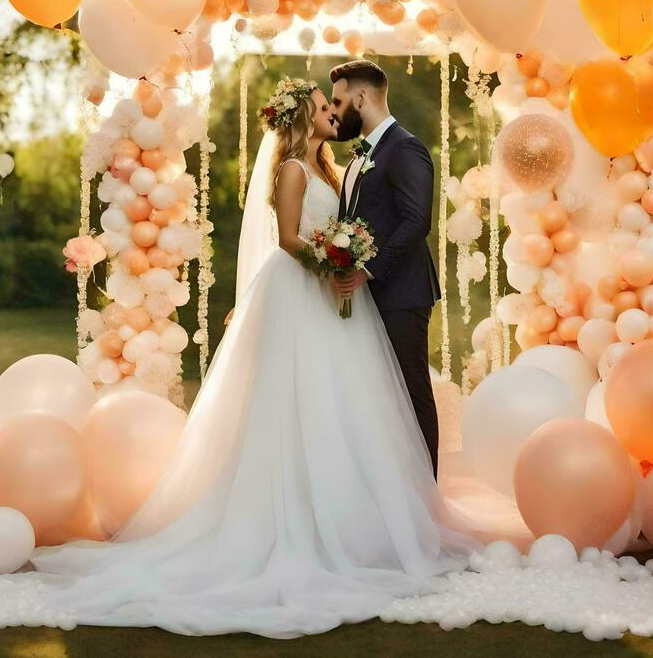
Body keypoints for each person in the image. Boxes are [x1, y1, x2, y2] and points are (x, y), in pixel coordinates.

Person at [28, 77, 473, 637]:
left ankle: (365, 516)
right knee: (296, 399)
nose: (332, 112)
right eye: (322, 107)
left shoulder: (335, 168)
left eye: (334, 104)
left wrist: (345, 262)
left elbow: (365, 224)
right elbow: (289, 238)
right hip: (300, 288)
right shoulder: (291, 170)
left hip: (341, 293)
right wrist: (331, 265)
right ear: (301, 119)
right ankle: (296, 519)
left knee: (345, 401)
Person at [329, 59, 443, 475]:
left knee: (412, 395)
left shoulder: (405, 147)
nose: (334, 111)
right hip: (369, 298)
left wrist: (368, 270)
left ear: (361, 97)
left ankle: (425, 494)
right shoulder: (362, 155)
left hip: (401, 294)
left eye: (339, 102)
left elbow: (417, 220)